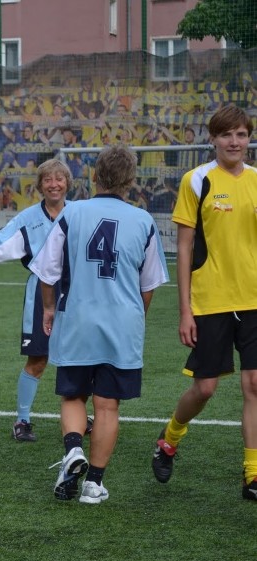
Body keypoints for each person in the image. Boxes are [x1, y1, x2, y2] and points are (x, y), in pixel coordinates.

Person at [29, 144, 168, 504]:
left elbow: (47, 270)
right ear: (132, 181)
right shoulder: (144, 221)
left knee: (73, 394)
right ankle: (94, 483)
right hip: (121, 323)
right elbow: (149, 285)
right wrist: (135, 316)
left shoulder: (72, 215)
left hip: (77, 318)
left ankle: (74, 449)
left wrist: (48, 309)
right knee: (107, 406)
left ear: (93, 175)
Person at [150, 104, 257, 501]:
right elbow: (183, 246)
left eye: (241, 134)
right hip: (209, 300)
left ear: (248, 139)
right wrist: (185, 310)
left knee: (255, 384)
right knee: (206, 388)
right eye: (227, 134)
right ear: (213, 139)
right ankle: (169, 439)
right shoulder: (196, 181)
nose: (234, 142)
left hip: (253, 300)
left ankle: (252, 475)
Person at [0, 158, 76, 442]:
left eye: (59, 179)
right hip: (40, 293)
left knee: (78, 358)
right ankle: (22, 420)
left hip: (76, 292)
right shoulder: (28, 218)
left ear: (67, 182)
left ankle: (78, 415)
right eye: (48, 180)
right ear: (40, 185)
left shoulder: (80, 213)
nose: (54, 184)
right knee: (38, 359)